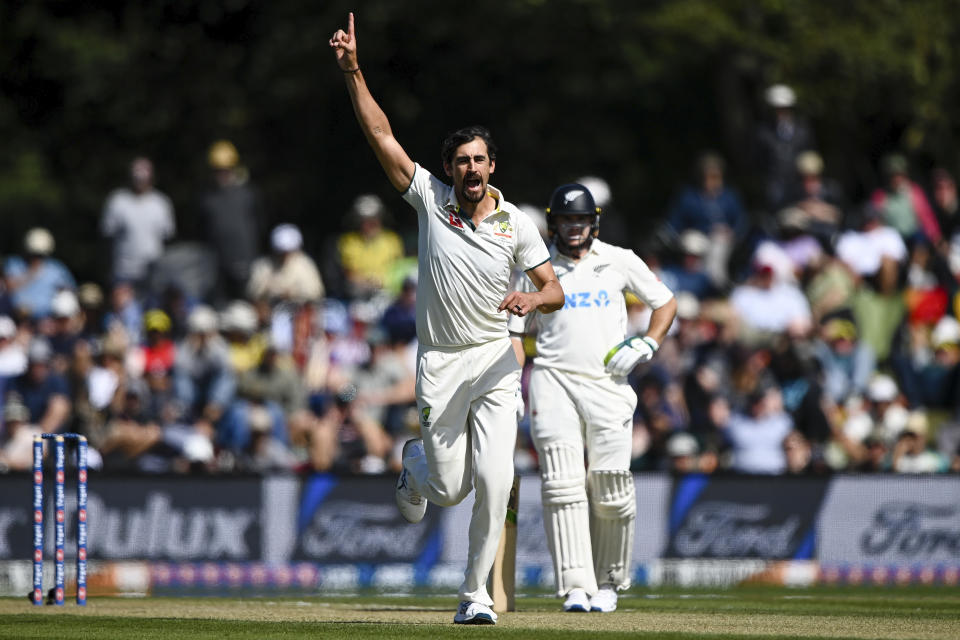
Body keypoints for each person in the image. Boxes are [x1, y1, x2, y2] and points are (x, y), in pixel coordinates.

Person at [330, 13, 564, 625]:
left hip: (493, 360)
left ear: (493, 165)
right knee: (451, 487)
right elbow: (381, 135)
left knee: (496, 482)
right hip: (440, 363)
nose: (471, 170)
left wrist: (531, 302)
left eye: (479, 160)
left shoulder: (517, 223)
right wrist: (354, 70)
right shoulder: (430, 200)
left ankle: (474, 595)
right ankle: (415, 466)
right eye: (461, 161)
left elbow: (554, 289)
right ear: (449, 167)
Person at [508, 184, 676, 613]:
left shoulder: (618, 260)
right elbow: (514, 333)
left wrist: (649, 344)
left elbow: (665, 302)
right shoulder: (535, 266)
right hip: (552, 379)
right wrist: (512, 383)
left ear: (594, 221)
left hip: (607, 383)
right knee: (563, 485)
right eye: (566, 220)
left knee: (612, 484)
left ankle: (609, 583)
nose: (574, 227)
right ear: (553, 223)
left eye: (581, 220)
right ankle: (575, 587)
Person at [100, 156, 176, 297]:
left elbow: (168, 236)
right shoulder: (117, 200)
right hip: (124, 270)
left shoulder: (161, 203)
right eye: (137, 179)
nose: (140, 183)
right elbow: (107, 236)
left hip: (153, 271)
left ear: (151, 179)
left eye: (143, 180)